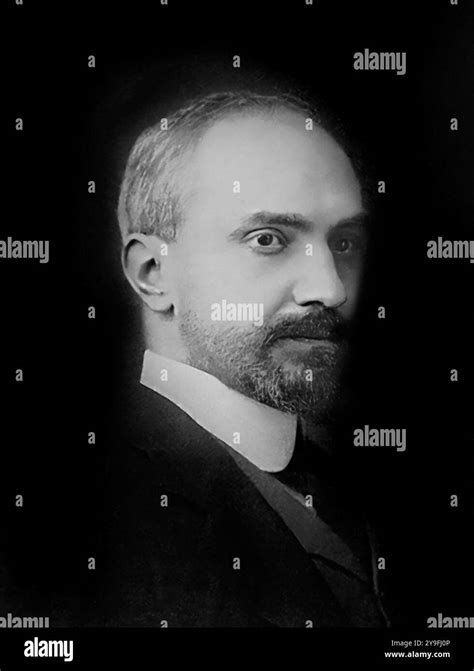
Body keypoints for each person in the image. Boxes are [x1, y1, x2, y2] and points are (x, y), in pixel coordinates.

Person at [91, 90, 389, 627]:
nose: (330, 289)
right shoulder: (89, 517)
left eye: (343, 243)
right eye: (269, 239)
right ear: (153, 274)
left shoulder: (347, 482)